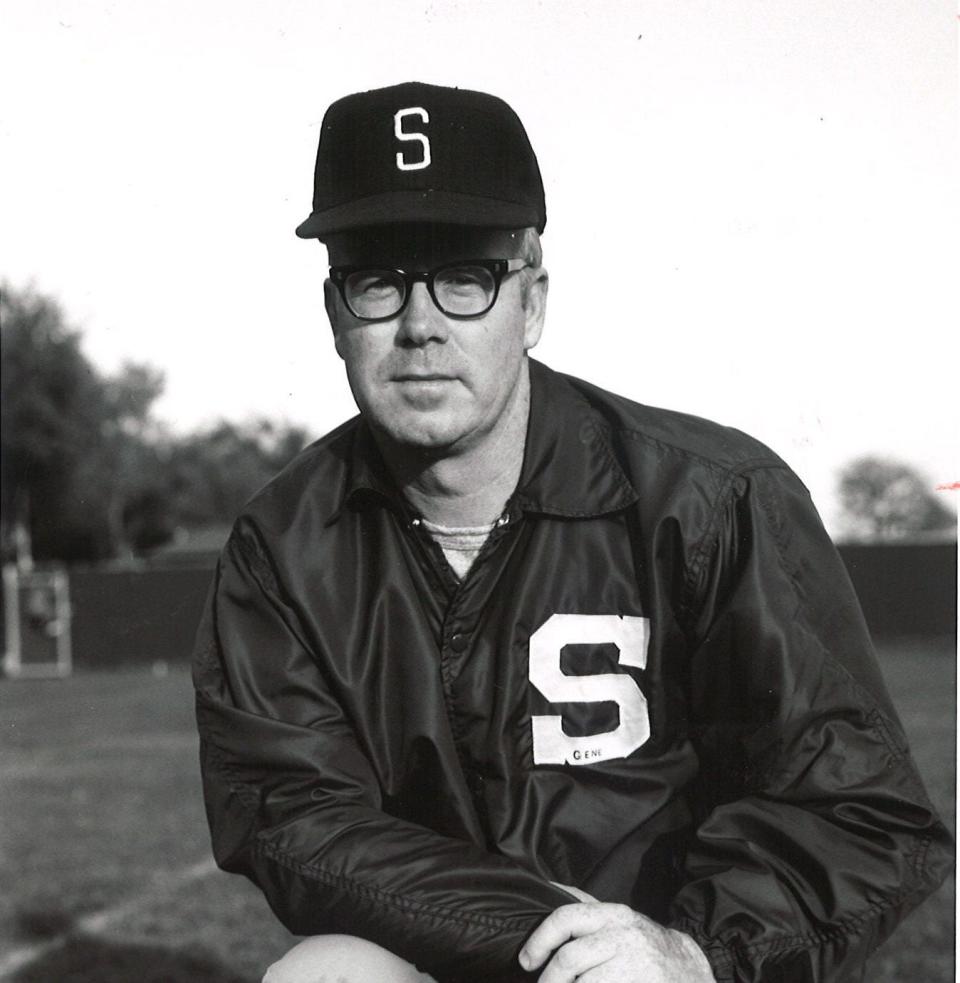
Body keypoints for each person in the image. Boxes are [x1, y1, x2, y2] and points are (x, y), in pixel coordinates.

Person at [192, 81, 952, 983]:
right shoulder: (284, 543)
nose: (422, 325)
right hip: (473, 955)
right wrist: (560, 937)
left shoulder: (710, 497)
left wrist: (691, 951)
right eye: (378, 283)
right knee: (323, 977)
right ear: (334, 316)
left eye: (466, 278)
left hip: (683, 964)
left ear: (534, 301)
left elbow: (862, 810)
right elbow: (294, 818)